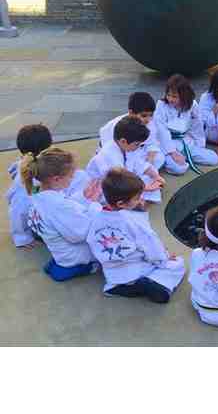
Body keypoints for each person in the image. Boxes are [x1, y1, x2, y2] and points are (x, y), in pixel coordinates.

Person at [87, 168, 185, 302]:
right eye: (137, 198)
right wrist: (165, 257)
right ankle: (155, 283)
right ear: (121, 203)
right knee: (177, 264)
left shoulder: (95, 213)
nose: (140, 200)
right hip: (138, 270)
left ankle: (116, 287)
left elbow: (92, 214)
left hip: (112, 272)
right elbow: (151, 247)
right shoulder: (133, 221)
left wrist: (91, 201)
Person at [22, 148, 103, 281]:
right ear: (56, 179)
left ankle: (59, 265)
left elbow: (65, 206)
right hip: (73, 257)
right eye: (71, 176)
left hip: (59, 249)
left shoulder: (37, 192)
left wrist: (85, 198)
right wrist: (95, 206)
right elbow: (80, 234)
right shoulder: (59, 206)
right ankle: (86, 267)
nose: (72, 178)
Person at [6, 124, 90, 249]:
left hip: (50, 215)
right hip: (46, 224)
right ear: (50, 145)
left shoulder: (28, 167)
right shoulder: (25, 182)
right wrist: (22, 238)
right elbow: (18, 210)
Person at [99, 91, 186, 175]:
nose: (148, 119)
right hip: (119, 153)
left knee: (159, 157)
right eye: (144, 116)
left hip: (136, 151)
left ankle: (143, 174)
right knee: (122, 168)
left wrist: (150, 157)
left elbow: (151, 143)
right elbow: (111, 150)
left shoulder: (150, 124)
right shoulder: (116, 125)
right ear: (131, 113)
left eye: (151, 115)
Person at [86, 116, 165, 205]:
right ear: (123, 141)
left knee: (150, 176)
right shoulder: (109, 155)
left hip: (122, 179)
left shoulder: (125, 147)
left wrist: (156, 176)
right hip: (104, 188)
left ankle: (140, 198)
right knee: (133, 193)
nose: (138, 147)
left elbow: (139, 164)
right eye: (137, 144)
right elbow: (119, 182)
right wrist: (144, 188)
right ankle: (137, 201)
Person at [154, 74, 218, 174]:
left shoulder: (192, 105)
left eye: (174, 96)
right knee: (179, 169)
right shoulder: (161, 105)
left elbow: (197, 126)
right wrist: (172, 152)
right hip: (167, 144)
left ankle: (184, 157)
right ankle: (172, 158)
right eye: (168, 95)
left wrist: (199, 145)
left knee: (213, 158)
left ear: (184, 95)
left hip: (185, 142)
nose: (170, 99)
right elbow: (161, 131)